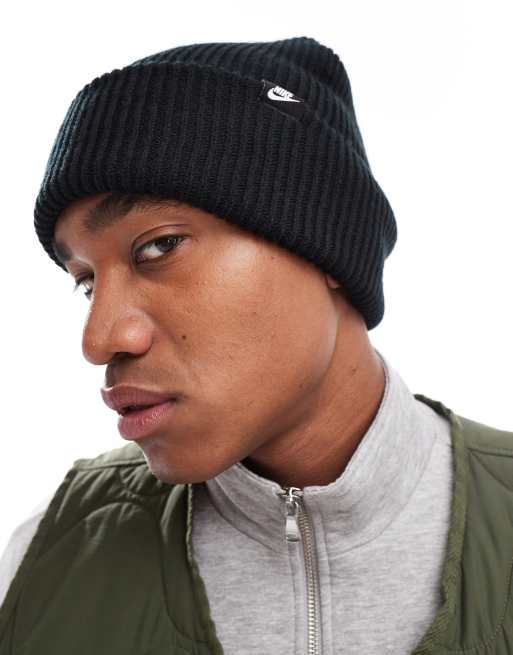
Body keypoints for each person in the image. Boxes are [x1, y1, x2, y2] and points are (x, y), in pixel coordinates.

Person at [0, 36, 512, 655]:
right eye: (86, 281)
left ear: (325, 250)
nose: (102, 338)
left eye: (159, 246)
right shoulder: (48, 559)